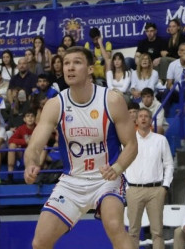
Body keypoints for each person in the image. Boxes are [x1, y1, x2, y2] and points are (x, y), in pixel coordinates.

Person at [25, 46, 138, 249]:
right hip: (72, 182)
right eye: (66, 63)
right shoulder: (55, 104)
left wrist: (117, 169)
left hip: (106, 179)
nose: (70, 67)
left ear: (90, 69)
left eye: (77, 62)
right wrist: (31, 164)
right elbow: (34, 147)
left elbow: (131, 145)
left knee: (114, 225)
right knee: (40, 242)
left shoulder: (111, 99)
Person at [125, 108, 174, 249]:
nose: (143, 118)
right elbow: (122, 164)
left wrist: (165, 186)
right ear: (136, 120)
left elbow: (169, 165)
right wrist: (127, 187)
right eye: (140, 116)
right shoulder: (129, 141)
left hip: (156, 190)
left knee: (157, 231)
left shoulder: (160, 140)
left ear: (151, 120)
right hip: (134, 189)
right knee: (133, 231)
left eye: (146, 116)